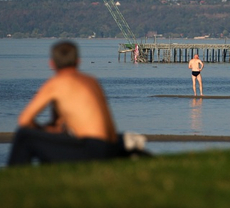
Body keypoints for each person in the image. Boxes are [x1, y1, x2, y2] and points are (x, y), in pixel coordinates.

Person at [8, 41, 142, 165]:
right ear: (78, 61)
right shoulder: (92, 81)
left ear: (52, 64)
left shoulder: (56, 83)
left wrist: (42, 129)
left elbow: (24, 120)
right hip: (112, 146)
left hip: (94, 149)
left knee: (24, 135)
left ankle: (12, 180)